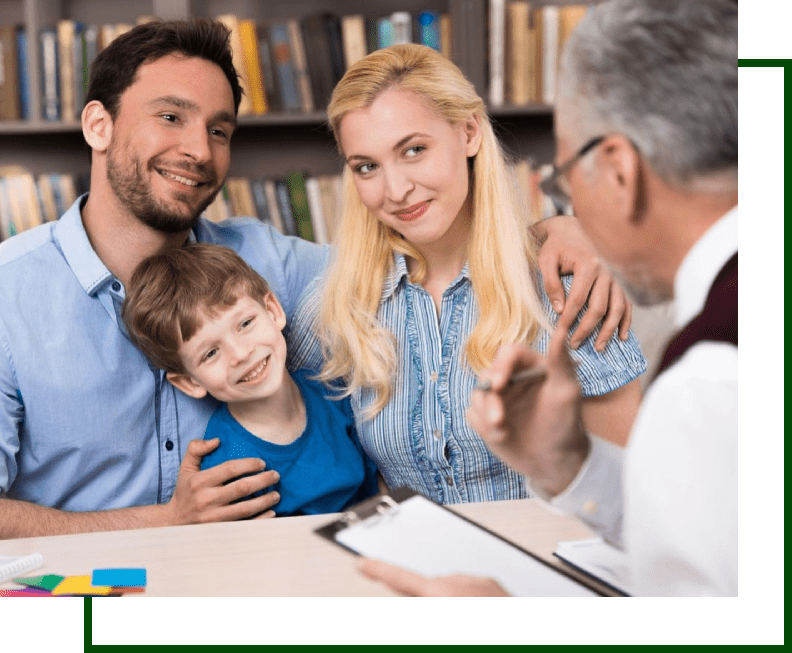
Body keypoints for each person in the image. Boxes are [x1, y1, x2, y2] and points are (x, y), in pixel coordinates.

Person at [0, 18, 629, 540]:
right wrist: (164, 521)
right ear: (97, 126)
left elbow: (430, 248)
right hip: (72, 590)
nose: (198, 149)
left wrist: (564, 231)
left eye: (219, 129)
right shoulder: (11, 293)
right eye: (170, 116)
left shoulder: (274, 268)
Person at [360, 0, 738, 596]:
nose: (572, 216)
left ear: (619, 170)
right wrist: (569, 465)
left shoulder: (708, 379)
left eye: (564, 180)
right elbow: (702, 540)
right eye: (364, 165)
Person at [287, 43, 646, 506]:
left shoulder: (569, 287)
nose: (395, 190)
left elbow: (631, 490)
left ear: (469, 133)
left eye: (414, 150)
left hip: (548, 567)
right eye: (367, 167)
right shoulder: (336, 304)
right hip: (408, 569)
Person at [123, 244, 379, 516]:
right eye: (210, 353)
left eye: (245, 324)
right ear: (190, 383)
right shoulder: (229, 469)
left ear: (273, 310)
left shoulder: (334, 391)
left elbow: (378, 488)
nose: (241, 353)